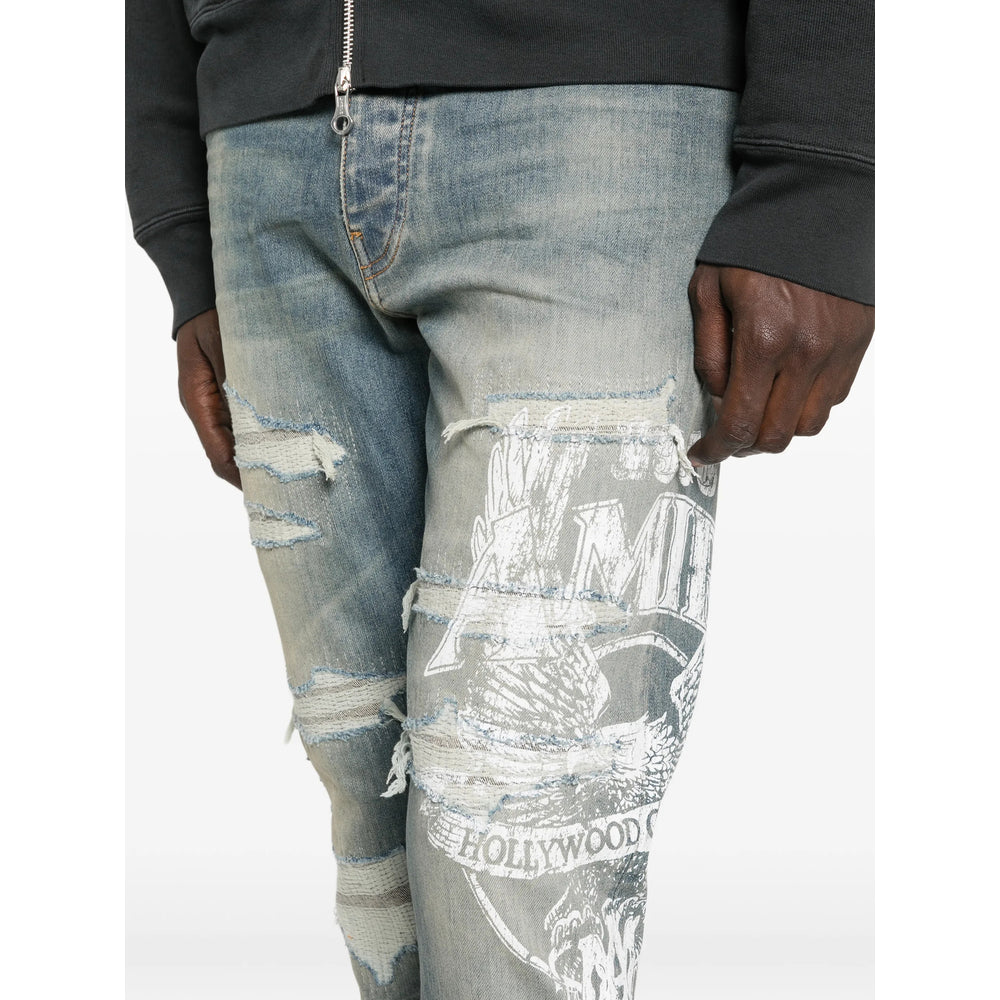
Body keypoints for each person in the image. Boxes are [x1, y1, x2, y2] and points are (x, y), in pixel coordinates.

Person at [125, 2, 874, 997]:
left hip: (598, 129)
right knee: (374, 847)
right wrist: (176, 210)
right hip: (263, 151)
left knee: (517, 840)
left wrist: (820, 172)